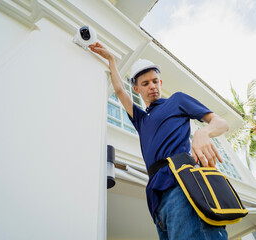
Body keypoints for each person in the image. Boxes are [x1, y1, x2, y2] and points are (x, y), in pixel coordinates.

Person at [89, 42, 230, 239]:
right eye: (145, 84)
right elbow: (120, 90)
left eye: (155, 81)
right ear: (137, 89)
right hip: (156, 201)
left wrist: (202, 134)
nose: (152, 86)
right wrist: (112, 60)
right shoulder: (141, 119)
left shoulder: (177, 101)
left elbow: (221, 123)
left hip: (182, 187)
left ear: (160, 83)